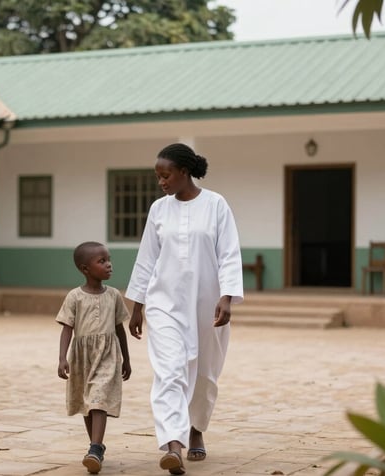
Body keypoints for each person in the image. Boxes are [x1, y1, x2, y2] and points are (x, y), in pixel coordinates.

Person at [125, 143, 244, 475]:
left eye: (166, 175)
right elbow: (146, 258)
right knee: (170, 370)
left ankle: (196, 429)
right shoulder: (158, 210)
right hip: (165, 303)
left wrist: (228, 296)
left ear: (184, 172)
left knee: (206, 373)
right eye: (158, 176)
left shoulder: (216, 205)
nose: (161, 182)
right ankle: (173, 444)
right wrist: (137, 306)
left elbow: (230, 253)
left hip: (209, 305)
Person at [57, 241, 132, 474]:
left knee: (98, 397)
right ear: (85, 269)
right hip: (81, 357)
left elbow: (120, 329)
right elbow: (67, 328)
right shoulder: (74, 297)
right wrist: (62, 358)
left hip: (108, 355)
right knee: (87, 403)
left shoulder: (114, 296)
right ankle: (95, 449)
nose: (109, 265)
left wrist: (127, 359)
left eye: (109, 259)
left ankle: (96, 447)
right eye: (102, 261)